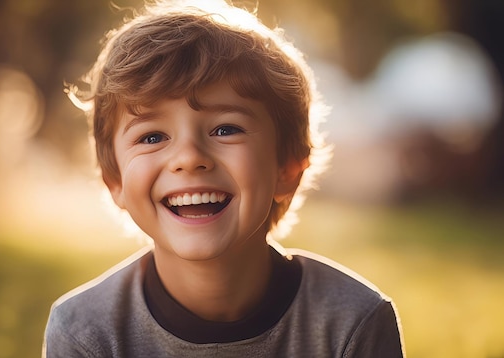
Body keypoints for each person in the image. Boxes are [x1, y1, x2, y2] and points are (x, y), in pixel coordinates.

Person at [43, 0, 405, 356]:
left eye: (226, 129)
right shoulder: (84, 333)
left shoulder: (354, 323)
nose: (189, 158)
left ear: (288, 167)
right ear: (115, 180)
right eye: (152, 137)